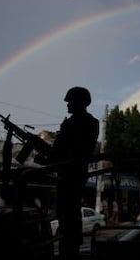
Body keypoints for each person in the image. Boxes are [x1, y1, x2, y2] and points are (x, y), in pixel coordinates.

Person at [38, 86, 99, 259]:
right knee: (71, 215)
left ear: (79, 102)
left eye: (70, 101)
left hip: (69, 175)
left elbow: (59, 152)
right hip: (77, 174)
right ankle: (71, 247)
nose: (67, 105)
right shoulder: (92, 122)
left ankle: (69, 250)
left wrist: (46, 157)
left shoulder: (72, 123)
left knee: (67, 215)